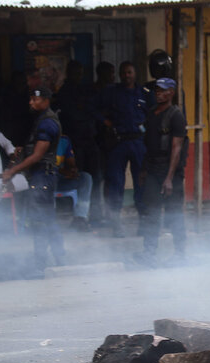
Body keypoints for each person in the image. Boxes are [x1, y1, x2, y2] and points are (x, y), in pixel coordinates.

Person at [3, 86, 65, 273]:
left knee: (39, 219)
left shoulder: (47, 123)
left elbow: (38, 155)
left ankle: (40, 263)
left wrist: (12, 170)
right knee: (47, 218)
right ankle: (59, 257)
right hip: (41, 175)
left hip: (43, 176)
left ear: (46, 100)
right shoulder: (42, 120)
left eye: (35, 99)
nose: (31, 102)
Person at [139, 78, 188, 265]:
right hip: (152, 168)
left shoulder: (175, 116)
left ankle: (180, 254)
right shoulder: (151, 114)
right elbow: (148, 145)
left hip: (170, 172)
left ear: (171, 92)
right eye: (156, 90)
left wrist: (168, 178)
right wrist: (144, 169)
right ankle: (149, 253)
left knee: (174, 213)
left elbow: (177, 148)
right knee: (151, 213)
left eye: (162, 90)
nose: (158, 93)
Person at [97, 61, 147, 237]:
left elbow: (153, 113)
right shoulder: (111, 92)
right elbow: (93, 108)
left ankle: (144, 223)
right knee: (116, 184)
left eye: (129, 72)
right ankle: (116, 225)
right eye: (123, 73)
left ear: (135, 73)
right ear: (119, 74)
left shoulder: (144, 93)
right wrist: (106, 122)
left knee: (141, 183)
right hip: (118, 143)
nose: (127, 76)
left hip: (138, 143)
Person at [54, 60, 102, 224]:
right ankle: (80, 217)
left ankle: (93, 215)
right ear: (69, 73)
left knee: (93, 178)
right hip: (74, 142)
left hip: (89, 140)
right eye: (76, 72)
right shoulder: (64, 93)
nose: (79, 76)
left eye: (81, 73)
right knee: (79, 178)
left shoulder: (84, 90)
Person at [55, 135, 93, 232]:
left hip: (62, 179)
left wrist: (72, 170)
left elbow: (70, 163)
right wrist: (62, 172)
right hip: (47, 180)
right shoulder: (41, 140)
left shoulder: (64, 140)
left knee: (85, 178)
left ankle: (80, 218)